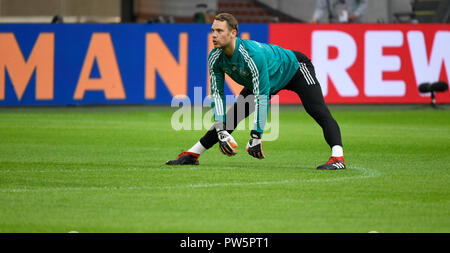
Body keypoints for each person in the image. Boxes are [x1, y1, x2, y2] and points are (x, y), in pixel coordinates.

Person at [166, 13, 345, 170]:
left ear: (233, 33)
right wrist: (221, 129)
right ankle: (192, 155)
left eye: (220, 31)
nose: (214, 35)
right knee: (232, 117)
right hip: (267, 78)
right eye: (213, 30)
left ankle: (338, 158)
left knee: (317, 110)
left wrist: (256, 135)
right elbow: (217, 95)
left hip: (295, 68)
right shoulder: (215, 57)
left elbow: (262, 96)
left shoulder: (251, 55)